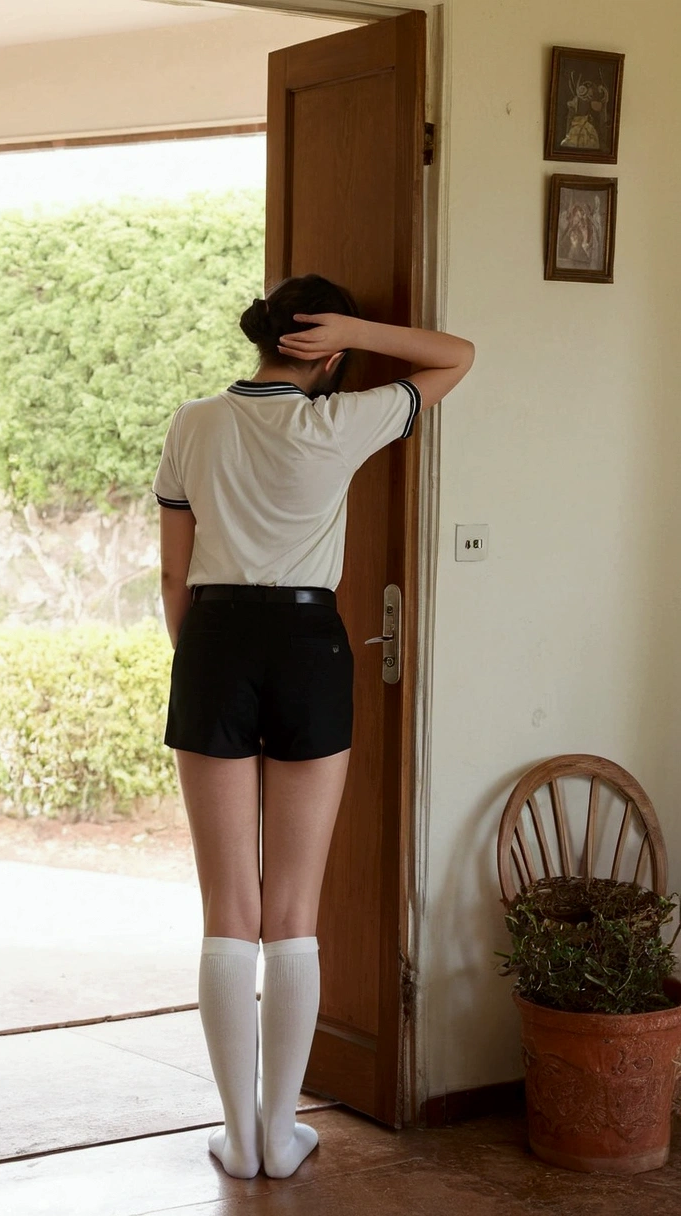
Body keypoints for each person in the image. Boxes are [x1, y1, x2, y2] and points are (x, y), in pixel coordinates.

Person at [151, 274, 474, 1180]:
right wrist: (363, 331)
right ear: (325, 351)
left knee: (227, 907)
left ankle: (237, 1135)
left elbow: (174, 580)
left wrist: (206, 661)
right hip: (309, 642)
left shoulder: (193, 422)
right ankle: (281, 1134)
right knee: (293, 909)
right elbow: (460, 357)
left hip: (212, 637)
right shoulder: (344, 420)